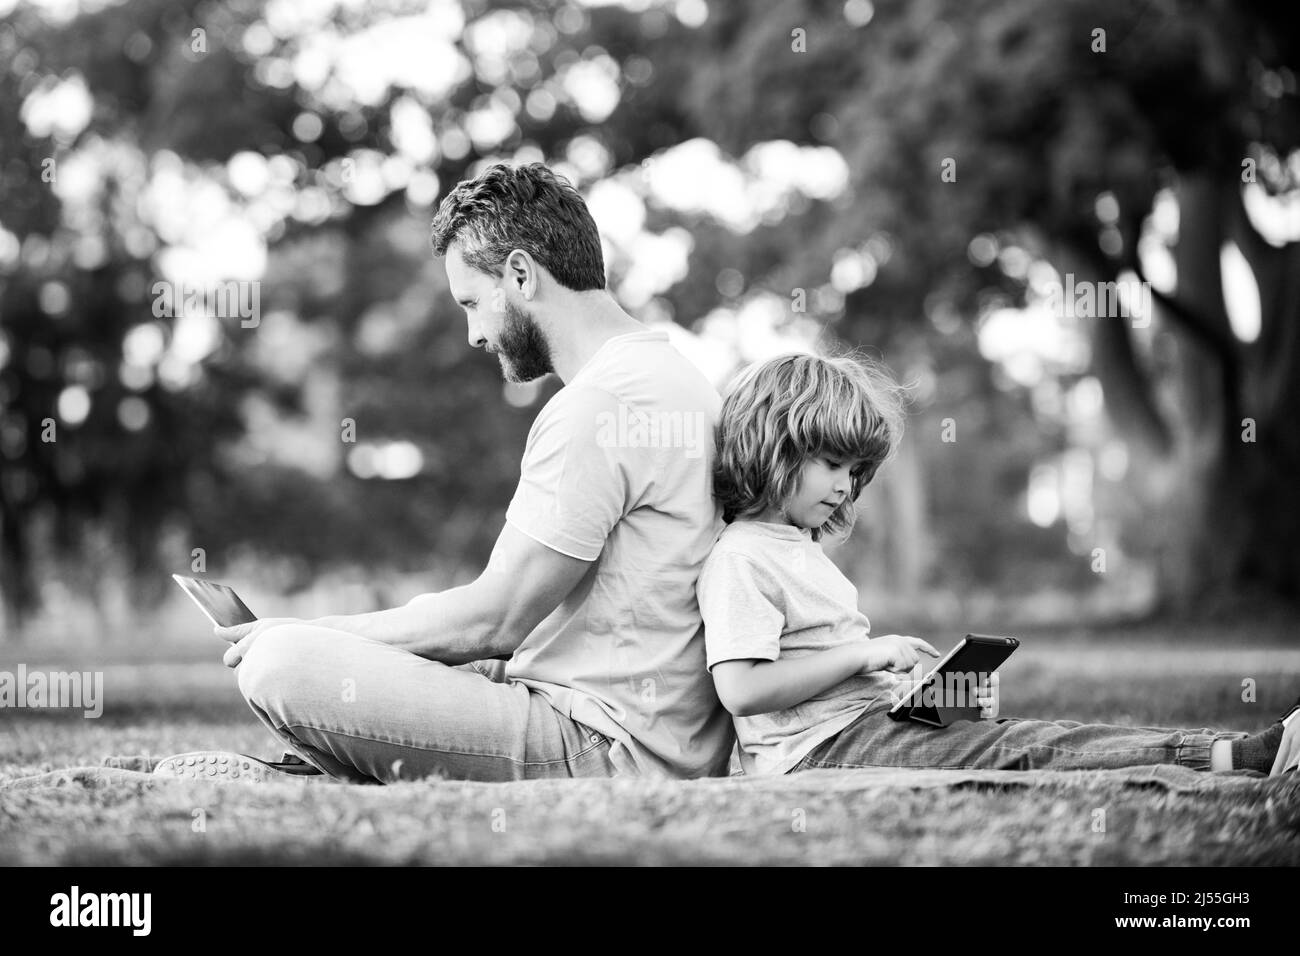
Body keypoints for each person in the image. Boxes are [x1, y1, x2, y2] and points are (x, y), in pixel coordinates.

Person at [154, 163, 735, 784]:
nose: (473, 334)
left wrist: (310, 632)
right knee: (374, 657)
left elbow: (495, 620)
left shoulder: (599, 406)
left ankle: (318, 770)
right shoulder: (681, 380)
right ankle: (318, 771)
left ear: (520, 274)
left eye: (471, 304)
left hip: (601, 744)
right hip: (646, 730)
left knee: (278, 662)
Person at [696, 351, 1300, 777]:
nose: (845, 487)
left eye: (855, 473)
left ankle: (1231, 749)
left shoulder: (799, 549)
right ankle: (1229, 757)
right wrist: (864, 653)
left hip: (863, 725)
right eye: (831, 463)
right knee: (1027, 749)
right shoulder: (743, 556)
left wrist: (920, 694)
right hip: (819, 750)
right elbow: (742, 690)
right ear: (773, 445)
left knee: (1028, 738)